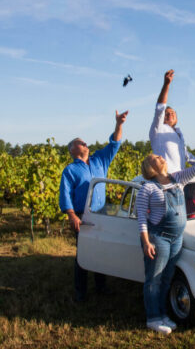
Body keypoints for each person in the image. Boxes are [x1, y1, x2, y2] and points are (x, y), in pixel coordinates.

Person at [137, 138, 195, 334]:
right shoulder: (148, 188)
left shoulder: (178, 179)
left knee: (167, 278)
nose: (161, 157)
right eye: (156, 157)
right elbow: (141, 218)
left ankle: (164, 313)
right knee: (154, 279)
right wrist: (146, 242)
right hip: (159, 237)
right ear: (151, 167)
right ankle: (153, 318)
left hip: (176, 239)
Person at [59, 110, 129, 302]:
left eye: (85, 142)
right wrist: (72, 215)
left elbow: (115, 143)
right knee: (83, 253)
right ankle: (80, 292)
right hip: (83, 215)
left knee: (101, 249)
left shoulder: (100, 160)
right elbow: (65, 194)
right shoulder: (70, 170)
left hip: (102, 212)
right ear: (72, 150)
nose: (85, 144)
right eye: (80, 142)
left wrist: (119, 123)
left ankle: (101, 287)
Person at [149, 69, 195, 173]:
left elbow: (188, 156)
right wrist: (166, 85)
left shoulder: (179, 134)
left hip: (179, 182)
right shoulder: (158, 129)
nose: (170, 114)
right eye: (167, 114)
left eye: (173, 113)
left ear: (177, 118)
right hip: (164, 180)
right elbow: (160, 108)